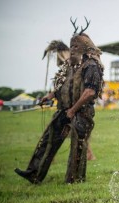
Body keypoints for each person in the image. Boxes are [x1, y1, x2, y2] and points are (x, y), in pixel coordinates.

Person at [14, 18, 104, 184]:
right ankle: (34, 173)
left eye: (76, 46)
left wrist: (73, 110)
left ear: (85, 47)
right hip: (64, 110)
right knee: (47, 141)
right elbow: (66, 86)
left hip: (82, 112)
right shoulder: (71, 65)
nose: (72, 50)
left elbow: (90, 92)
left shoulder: (92, 65)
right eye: (71, 46)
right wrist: (51, 95)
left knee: (77, 147)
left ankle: (74, 180)